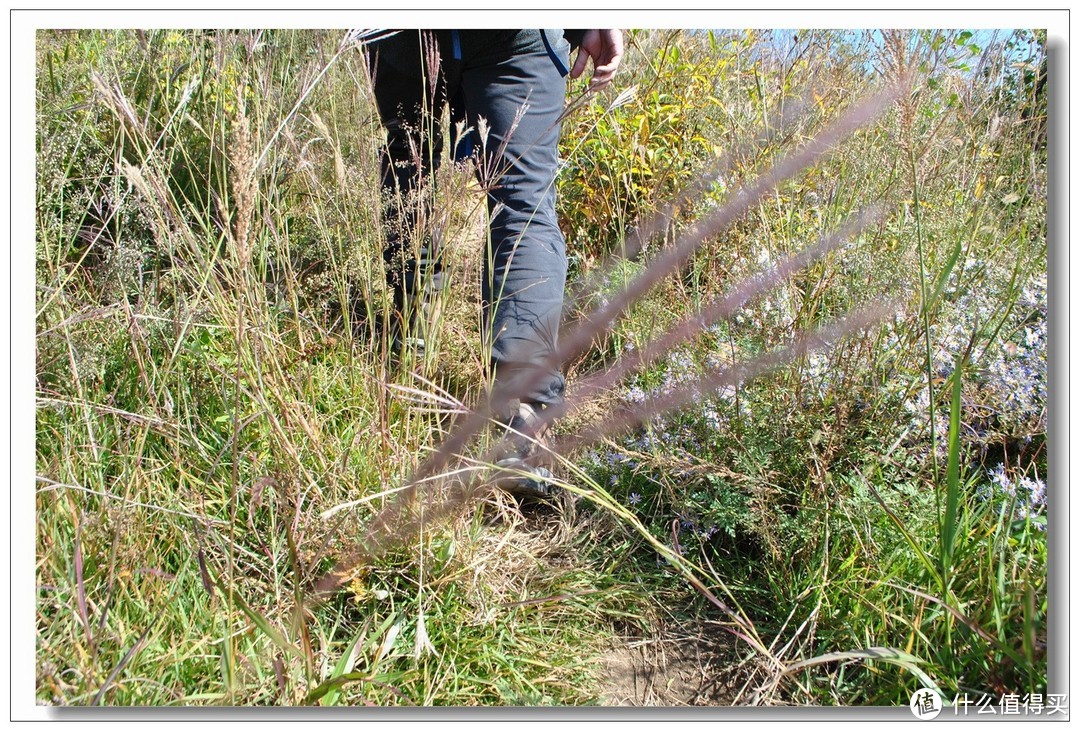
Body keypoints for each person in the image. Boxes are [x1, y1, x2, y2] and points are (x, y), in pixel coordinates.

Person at [365, 29, 624, 497]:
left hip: (401, 31)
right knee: (523, 205)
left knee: (409, 166)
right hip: (510, 29)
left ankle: (413, 335)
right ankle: (521, 417)